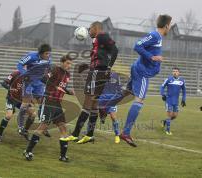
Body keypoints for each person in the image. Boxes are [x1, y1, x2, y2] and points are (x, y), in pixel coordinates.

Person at [119, 15, 172, 147]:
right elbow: (137, 46)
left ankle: (104, 105)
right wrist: (152, 57)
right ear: (166, 25)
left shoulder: (157, 37)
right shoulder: (155, 35)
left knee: (126, 92)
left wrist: (153, 58)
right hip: (142, 72)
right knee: (139, 100)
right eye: (170, 25)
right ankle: (125, 132)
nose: (170, 28)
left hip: (138, 68)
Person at [64, 21, 118, 144]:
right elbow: (106, 52)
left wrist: (108, 66)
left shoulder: (102, 36)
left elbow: (115, 49)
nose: (89, 31)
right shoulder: (97, 40)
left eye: (90, 29)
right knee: (94, 104)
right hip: (99, 72)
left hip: (97, 72)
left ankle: (75, 134)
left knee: (87, 103)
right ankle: (89, 134)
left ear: (96, 28)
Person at [23, 55, 74, 162]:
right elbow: (43, 78)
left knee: (63, 127)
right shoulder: (55, 69)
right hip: (48, 101)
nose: (69, 66)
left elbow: (61, 86)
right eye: (67, 63)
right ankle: (28, 151)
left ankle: (63, 156)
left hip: (57, 103)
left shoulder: (68, 74)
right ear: (62, 62)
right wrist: (54, 86)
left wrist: (68, 91)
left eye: (70, 64)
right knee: (43, 126)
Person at [16, 44, 52, 136]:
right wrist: (25, 74)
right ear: (41, 53)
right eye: (46, 54)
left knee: (43, 104)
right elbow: (19, 64)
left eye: (49, 53)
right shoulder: (31, 56)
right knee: (25, 105)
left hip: (39, 84)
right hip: (29, 82)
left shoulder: (48, 59)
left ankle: (43, 126)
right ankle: (20, 127)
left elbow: (49, 69)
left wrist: (47, 76)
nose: (48, 55)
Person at [160, 67, 186, 135]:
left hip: (176, 101)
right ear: (172, 72)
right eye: (174, 71)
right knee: (170, 115)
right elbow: (162, 86)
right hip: (169, 100)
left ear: (179, 72)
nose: (175, 72)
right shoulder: (168, 79)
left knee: (174, 116)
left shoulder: (182, 80)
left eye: (176, 71)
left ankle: (164, 122)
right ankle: (167, 130)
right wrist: (163, 95)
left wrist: (183, 100)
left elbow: (184, 90)